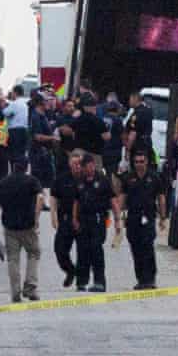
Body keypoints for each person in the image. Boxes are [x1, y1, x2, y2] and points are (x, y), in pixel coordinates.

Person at [0, 158, 44, 302]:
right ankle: (30, 287)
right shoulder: (32, 181)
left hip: (9, 227)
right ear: (27, 167)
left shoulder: (3, 182)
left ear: (13, 167)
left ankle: (15, 292)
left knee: (13, 259)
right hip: (28, 226)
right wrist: (36, 217)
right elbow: (40, 198)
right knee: (34, 253)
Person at [117, 150, 166, 290]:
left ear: (147, 162)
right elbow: (122, 197)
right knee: (136, 248)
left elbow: (161, 198)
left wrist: (163, 218)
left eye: (141, 161)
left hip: (148, 217)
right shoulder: (128, 178)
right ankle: (141, 279)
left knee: (147, 246)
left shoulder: (155, 177)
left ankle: (150, 279)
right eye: (136, 162)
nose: (139, 164)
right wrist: (118, 216)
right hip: (132, 218)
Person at [72, 154, 120, 292]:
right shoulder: (79, 181)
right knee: (82, 250)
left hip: (98, 219)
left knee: (96, 249)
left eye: (87, 165)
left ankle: (99, 282)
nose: (85, 169)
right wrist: (74, 219)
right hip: (83, 220)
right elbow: (76, 201)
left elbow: (113, 201)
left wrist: (117, 221)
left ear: (92, 165)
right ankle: (82, 282)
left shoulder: (103, 180)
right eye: (83, 166)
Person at [51, 149, 84, 288]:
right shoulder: (61, 179)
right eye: (74, 163)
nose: (77, 166)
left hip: (83, 219)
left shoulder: (88, 178)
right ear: (70, 163)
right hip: (66, 218)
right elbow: (53, 197)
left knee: (83, 251)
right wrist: (53, 217)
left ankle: (82, 281)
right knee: (60, 250)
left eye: (79, 163)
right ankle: (70, 271)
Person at [66, 94, 110, 174]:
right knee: (94, 177)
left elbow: (68, 131)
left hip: (79, 152)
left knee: (77, 175)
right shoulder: (99, 121)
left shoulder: (78, 119)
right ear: (94, 107)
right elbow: (106, 137)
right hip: (94, 155)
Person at [29, 95, 57, 199]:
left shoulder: (43, 115)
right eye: (47, 101)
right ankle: (37, 201)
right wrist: (53, 138)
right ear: (40, 103)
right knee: (38, 180)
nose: (49, 103)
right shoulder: (36, 117)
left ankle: (41, 201)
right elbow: (37, 136)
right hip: (38, 153)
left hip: (45, 153)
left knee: (46, 180)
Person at [4, 85, 31, 164]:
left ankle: (14, 173)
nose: (11, 94)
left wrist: (3, 106)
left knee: (14, 155)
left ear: (15, 93)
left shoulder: (14, 103)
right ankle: (21, 171)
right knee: (21, 154)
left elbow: (5, 113)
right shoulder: (25, 104)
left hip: (15, 131)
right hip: (24, 131)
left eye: (12, 92)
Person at [126, 91, 154, 165]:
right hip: (147, 145)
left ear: (135, 99)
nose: (129, 102)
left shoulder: (137, 114)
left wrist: (128, 150)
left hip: (138, 147)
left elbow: (133, 133)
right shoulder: (148, 110)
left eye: (130, 99)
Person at [102, 101, 125, 177]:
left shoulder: (103, 118)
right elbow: (123, 136)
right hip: (114, 152)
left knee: (103, 174)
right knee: (112, 176)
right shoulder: (118, 120)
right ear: (117, 109)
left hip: (103, 150)